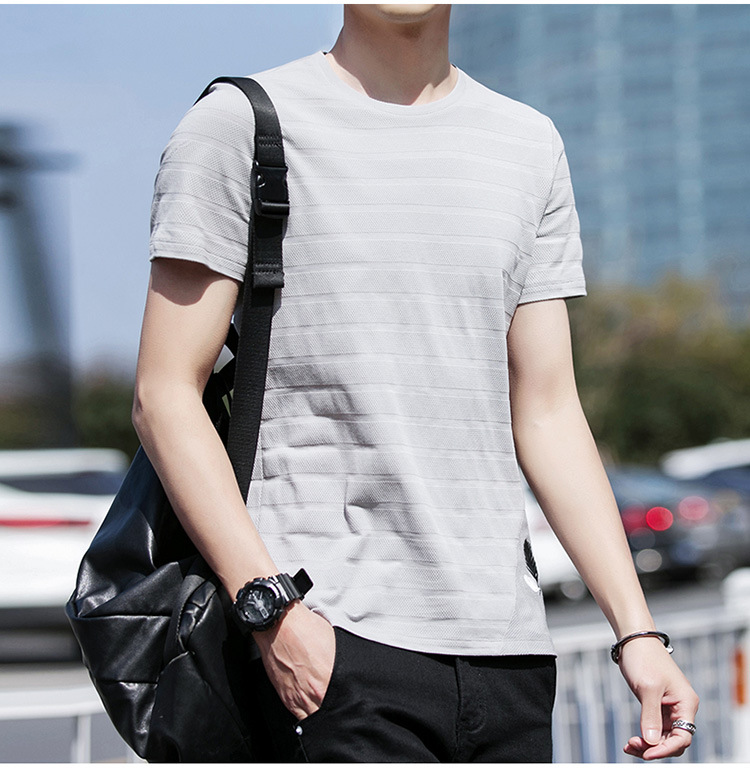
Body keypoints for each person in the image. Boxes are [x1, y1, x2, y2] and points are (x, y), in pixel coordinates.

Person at [134, 3, 699, 763]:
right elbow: (164, 393)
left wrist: (637, 633)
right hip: (328, 638)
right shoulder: (241, 125)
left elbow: (548, 411)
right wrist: (273, 614)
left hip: (508, 653)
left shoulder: (527, 143)